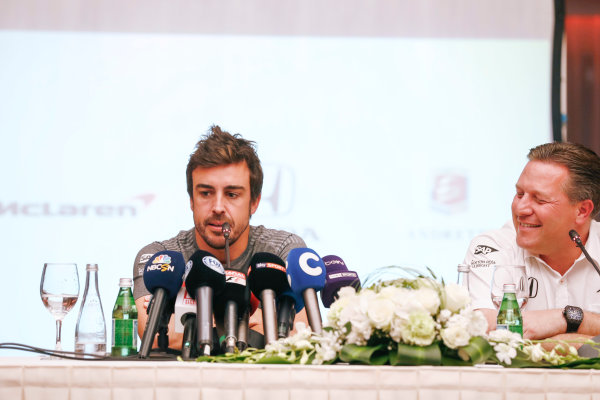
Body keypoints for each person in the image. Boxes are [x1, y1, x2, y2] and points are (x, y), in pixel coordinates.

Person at [132, 125, 308, 350]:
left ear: (254, 202)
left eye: (232, 194)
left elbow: (301, 332)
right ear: (191, 200)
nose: (217, 207)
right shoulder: (161, 257)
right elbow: (154, 333)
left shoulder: (284, 250)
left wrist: (196, 324)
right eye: (205, 193)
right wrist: (249, 326)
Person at [463, 142, 600, 347]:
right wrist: (581, 337)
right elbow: (481, 327)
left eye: (540, 199)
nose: (521, 209)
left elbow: (508, 335)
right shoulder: (491, 247)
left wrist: (567, 319)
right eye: (519, 194)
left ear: (582, 211)